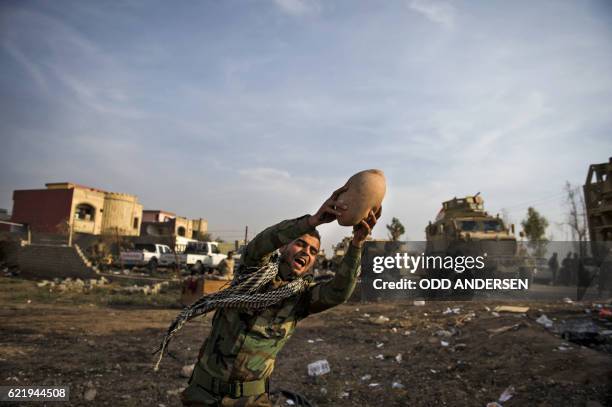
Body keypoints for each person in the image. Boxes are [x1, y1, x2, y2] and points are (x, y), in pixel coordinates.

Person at [179, 186, 380, 406]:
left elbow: (338, 292)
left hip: (250, 400)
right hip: (202, 394)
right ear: (284, 246)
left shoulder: (301, 297)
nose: (306, 252)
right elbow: (258, 245)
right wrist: (311, 222)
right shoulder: (252, 272)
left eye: (313, 251)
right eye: (301, 244)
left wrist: (357, 245)